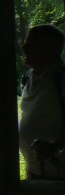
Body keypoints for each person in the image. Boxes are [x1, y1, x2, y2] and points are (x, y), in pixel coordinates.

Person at [19, 24, 65, 179]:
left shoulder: (61, 79)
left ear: (49, 49)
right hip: (35, 172)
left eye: (30, 44)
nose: (23, 47)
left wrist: (53, 148)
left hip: (59, 178)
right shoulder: (28, 77)